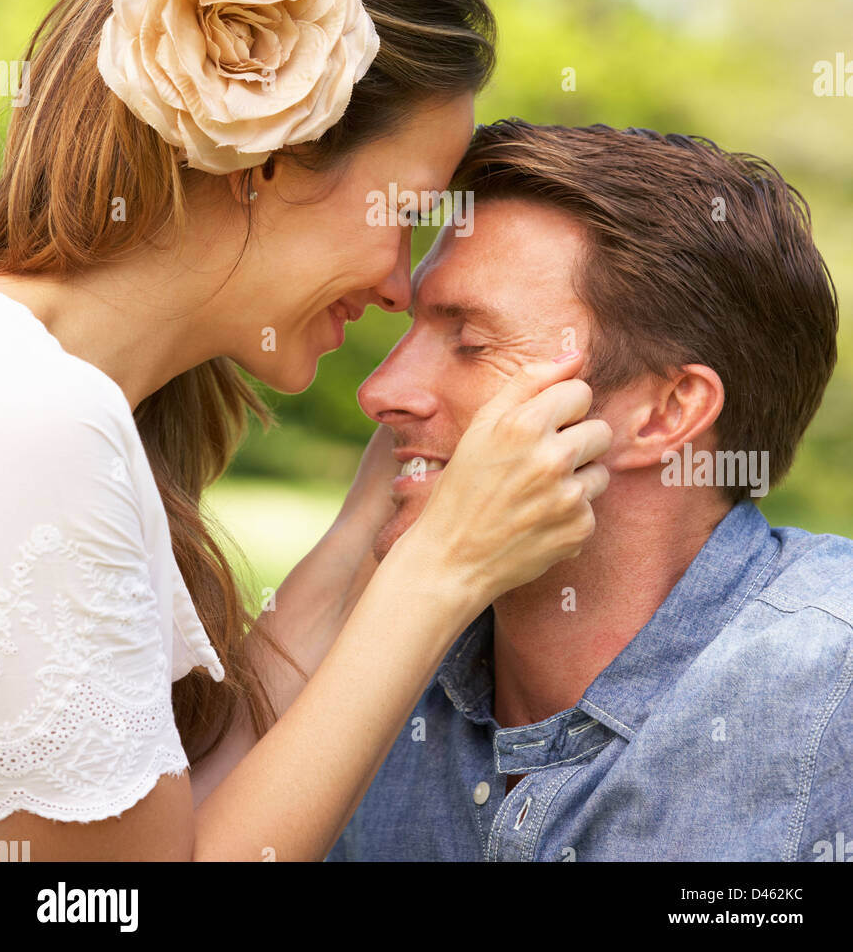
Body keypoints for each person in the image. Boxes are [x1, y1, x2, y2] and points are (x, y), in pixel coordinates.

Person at [0, 0, 612, 861]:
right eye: (405, 215)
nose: (401, 287)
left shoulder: (60, 401)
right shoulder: (30, 421)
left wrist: (375, 529)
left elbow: (187, 819)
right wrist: (441, 571)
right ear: (266, 156)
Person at [327, 120, 850, 863]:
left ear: (667, 413)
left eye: (472, 344)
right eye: (411, 331)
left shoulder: (835, 687)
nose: (382, 391)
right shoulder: (365, 682)